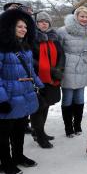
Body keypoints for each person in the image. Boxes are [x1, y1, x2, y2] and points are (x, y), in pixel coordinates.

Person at [0, 8, 43, 174]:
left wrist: (41, 87)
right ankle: (6, 162)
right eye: (19, 27)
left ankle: (18, 156)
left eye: (25, 27)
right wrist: (1, 99)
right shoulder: (2, 48)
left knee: (19, 129)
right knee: (3, 133)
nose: (23, 30)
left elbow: (30, 70)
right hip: (9, 96)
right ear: (10, 27)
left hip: (25, 95)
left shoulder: (25, 47)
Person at [57, 6, 87, 137]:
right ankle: (68, 128)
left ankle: (78, 125)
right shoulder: (63, 31)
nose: (84, 19)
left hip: (84, 64)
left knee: (80, 97)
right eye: (82, 16)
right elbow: (58, 51)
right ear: (76, 17)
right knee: (68, 97)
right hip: (68, 65)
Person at [31, 11, 64, 148]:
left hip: (53, 77)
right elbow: (31, 59)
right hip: (38, 77)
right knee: (38, 107)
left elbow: (62, 55)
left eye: (46, 21)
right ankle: (38, 135)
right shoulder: (31, 38)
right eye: (41, 21)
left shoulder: (54, 38)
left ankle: (40, 131)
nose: (44, 23)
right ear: (36, 23)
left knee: (46, 105)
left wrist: (59, 69)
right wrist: (49, 70)